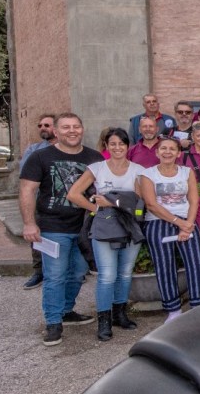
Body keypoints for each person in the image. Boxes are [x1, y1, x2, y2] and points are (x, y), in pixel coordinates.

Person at [19, 113, 104, 346]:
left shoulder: (94, 157)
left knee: (77, 272)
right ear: (56, 131)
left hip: (84, 227)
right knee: (55, 275)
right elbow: (27, 190)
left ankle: (66, 310)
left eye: (76, 126)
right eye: (66, 127)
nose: (72, 131)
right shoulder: (40, 157)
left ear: (83, 129)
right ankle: (53, 322)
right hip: (52, 227)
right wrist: (29, 223)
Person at [65, 127, 144, 341]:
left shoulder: (138, 169)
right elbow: (73, 194)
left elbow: (138, 199)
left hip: (130, 225)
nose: (117, 148)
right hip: (105, 225)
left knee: (125, 273)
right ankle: (104, 320)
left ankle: (120, 314)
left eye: (122, 144)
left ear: (128, 146)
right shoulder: (97, 168)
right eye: (113, 144)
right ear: (106, 146)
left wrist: (109, 200)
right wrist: (96, 208)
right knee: (107, 275)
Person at [139, 137, 200, 322]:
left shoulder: (187, 172)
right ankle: (173, 309)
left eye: (172, 149)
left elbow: (194, 200)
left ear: (179, 153)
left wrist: (189, 223)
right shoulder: (148, 174)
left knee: (195, 262)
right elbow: (151, 204)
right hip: (158, 221)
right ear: (157, 152)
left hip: (187, 219)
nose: (167, 152)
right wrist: (179, 224)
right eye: (163, 148)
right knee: (164, 264)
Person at [18, 114, 57, 290]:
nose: (42, 128)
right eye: (40, 125)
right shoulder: (33, 150)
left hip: (65, 200)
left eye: (47, 125)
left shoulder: (71, 148)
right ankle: (39, 271)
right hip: (41, 200)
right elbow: (26, 178)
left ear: (56, 128)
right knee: (37, 237)